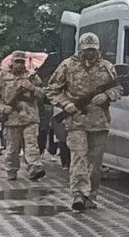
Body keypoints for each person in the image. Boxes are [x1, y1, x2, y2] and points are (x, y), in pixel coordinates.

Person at [48, 33, 122, 212]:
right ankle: (79, 194)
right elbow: (51, 90)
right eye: (87, 50)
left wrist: (107, 95)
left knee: (95, 162)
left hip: (99, 121)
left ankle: (90, 195)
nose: (90, 53)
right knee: (79, 157)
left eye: (93, 50)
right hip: (76, 121)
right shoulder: (67, 66)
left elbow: (118, 88)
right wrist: (66, 104)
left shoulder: (106, 67)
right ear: (80, 49)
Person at [0, 51, 47, 182]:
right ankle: (11, 169)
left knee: (32, 144)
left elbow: (42, 94)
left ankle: (35, 166)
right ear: (12, 62)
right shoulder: (2, 76)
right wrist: (2, 108)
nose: (20, 64)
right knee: (12, 148)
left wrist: (31, 88)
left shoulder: (32, 77)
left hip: (30, 116)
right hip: (11, 118)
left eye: (22, 62)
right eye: (17, 62)